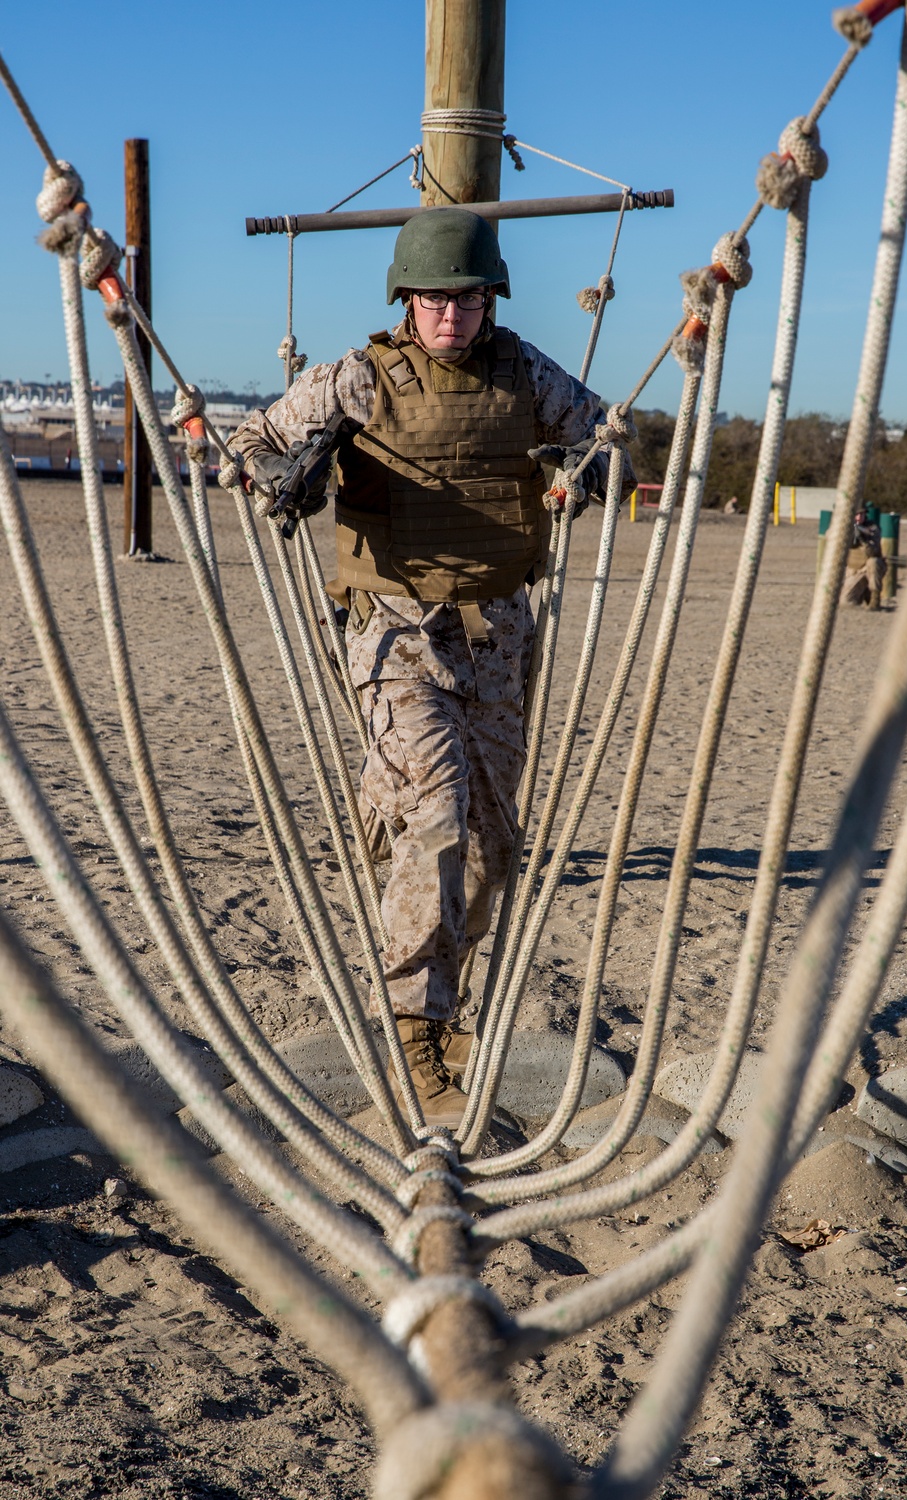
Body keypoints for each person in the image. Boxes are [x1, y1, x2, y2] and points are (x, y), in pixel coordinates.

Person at [229, 207, 635, 1127]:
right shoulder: (360, 377)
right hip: (396, 633)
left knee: (493, 844)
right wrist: (291, 471)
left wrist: (592, 467)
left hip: (497, 633)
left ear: (490, 299)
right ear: (404, 300)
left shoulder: (526, 372)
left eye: (467, 298)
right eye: (433, 300)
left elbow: (609, 436)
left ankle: (446, 998)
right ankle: (413, 1026)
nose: (450, 316)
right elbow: (249, 444)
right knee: (437, 819)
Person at [840, 507, 887, 610]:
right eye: (857, 514)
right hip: (854, 570)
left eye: (862, 514)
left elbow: (872, 552)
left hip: (869, 568)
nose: (859, 517)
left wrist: (862, 539)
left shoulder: (872, 528)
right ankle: (864, 593)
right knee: (845, 602)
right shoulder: (846, 526)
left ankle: (875, 599)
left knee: (873, 562)